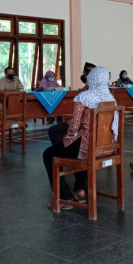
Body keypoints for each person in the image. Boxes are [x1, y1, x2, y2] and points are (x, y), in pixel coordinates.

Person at [43, 66, 118, 208]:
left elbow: (74, 126)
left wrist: (70, 137)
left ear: (91, 78)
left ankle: (65, 198)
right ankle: (81, 191)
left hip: (87, 147)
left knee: (49, 154)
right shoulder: (110, 98)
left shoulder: (84, 97)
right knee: (72, 151)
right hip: (106, 148)